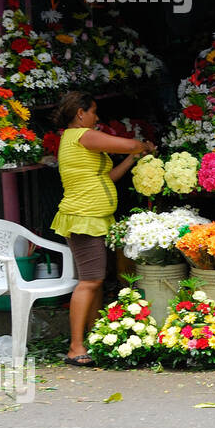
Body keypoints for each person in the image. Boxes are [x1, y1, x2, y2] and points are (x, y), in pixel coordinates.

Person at [49, 93, 155, 365]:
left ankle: (92, 336)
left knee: (94, 280)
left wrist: (133, 157)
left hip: (92, 217)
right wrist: (141, 145)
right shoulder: (82, 135)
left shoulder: (77, 139)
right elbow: (128, 143)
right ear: (80, 113)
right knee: (89, 282)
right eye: (94, 112)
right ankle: (75, 347)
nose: (97, 118)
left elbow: (106, 178)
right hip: (83, 216)